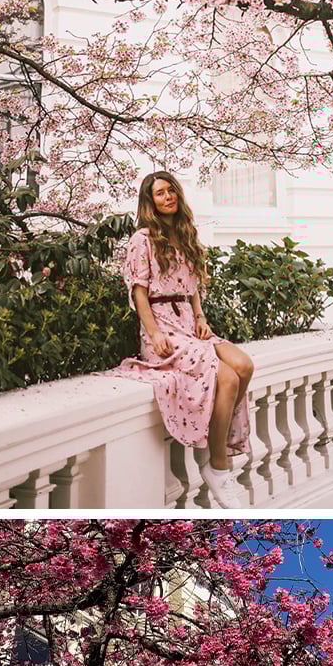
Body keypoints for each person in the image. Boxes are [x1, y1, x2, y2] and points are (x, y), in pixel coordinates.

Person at [105, 172, 255, 508]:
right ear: (150, 201)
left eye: (171, 190)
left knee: (244, 365)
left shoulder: (185, 234)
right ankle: (218, 467)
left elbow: (193, 287)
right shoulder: (142, 239)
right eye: (159, 193)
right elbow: (138, 293)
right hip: (162, 327)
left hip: (189, 322)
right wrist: (154, 332)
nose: (168, 197)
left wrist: (200, 318)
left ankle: (212, 443)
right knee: (226, 378)